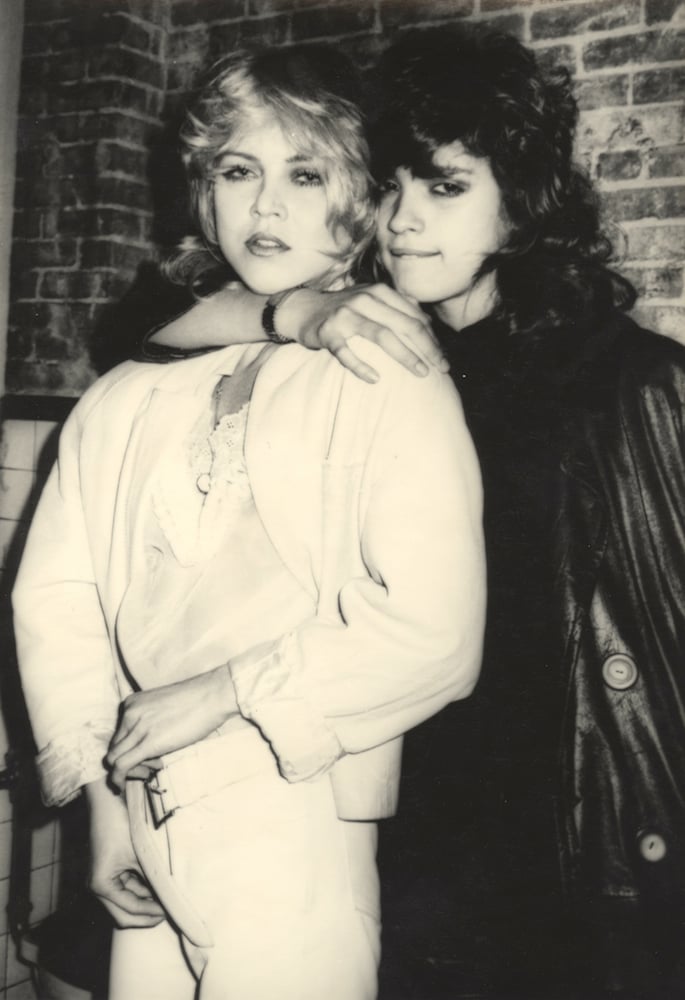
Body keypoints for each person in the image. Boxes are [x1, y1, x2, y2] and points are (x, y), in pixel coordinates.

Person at [145, 25, 685, 1000]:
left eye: (444, 186)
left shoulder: (629, 383)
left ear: (520, 202)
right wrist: (293, 313)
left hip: (566, 849)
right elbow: (136, 321)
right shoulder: (361, 361)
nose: (401, 219)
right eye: (387, 187)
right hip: (390, 822)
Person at [11, 44, 486, 1000]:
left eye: (304, 174)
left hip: (296, 811)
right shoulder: (125, 395)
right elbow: (58, 596)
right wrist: (106, 804)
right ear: (205, 191)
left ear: (356, 195)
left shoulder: (385, 368)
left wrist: (222, 691)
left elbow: (436, 636)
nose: (266, 207)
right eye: (238, 171)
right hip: (147, 820)